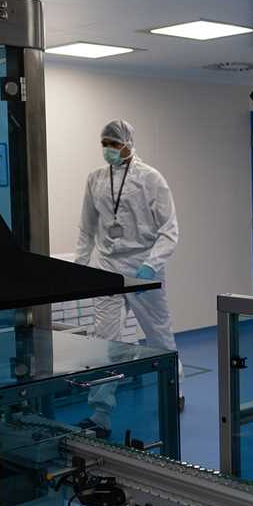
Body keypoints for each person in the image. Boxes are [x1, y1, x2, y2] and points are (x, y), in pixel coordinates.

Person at [74, 119, 180, 436]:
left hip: (142, 266)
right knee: (103, 340)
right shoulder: (95, 179)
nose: (109, 149)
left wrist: (152, 264)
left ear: (129, 143)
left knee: (158, 336)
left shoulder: (151, 179)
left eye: (114, 143)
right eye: (104, 143)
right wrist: (80, 266)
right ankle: (101, 413)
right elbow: (86, 228)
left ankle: (173, 391)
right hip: (106, 266)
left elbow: (170, 230)